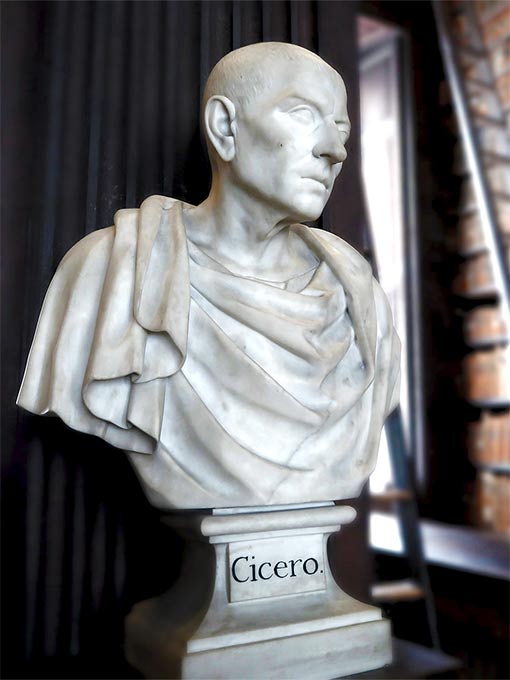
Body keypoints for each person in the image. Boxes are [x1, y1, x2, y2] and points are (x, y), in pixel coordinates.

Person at [17, 42, 400, 509]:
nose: (334, 149)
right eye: (302, 114)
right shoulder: (109, 272)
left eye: (341, 127)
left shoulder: (358, 294)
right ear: (225, 128)